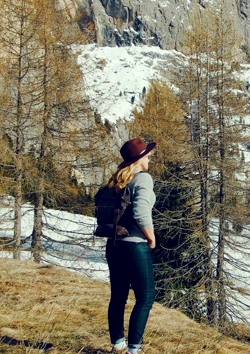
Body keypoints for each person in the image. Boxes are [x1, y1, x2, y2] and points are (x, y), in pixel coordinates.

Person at [105, 137, 157, 354]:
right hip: (135, 246)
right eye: (148, 154)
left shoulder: (117, 180)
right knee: (145, 298)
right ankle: (134, 349)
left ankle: (118, 343)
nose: (151, 157)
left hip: (114, 244)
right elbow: (140, 212)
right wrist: (151, 237)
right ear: (140, 158)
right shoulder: (143, 179)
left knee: (118, 295)